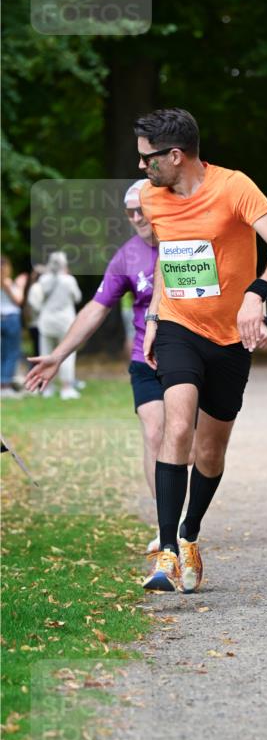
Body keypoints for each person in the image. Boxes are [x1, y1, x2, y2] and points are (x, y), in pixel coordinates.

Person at [136, 107, 267, 594]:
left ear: (175, 155)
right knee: (177, 423)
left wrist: (256, 295)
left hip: (230, 337)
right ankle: (166, 552)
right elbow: (170, 257)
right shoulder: (151, 197)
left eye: (148, 158)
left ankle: (189, 535)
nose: (141, 167)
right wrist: (152, 316)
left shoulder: (234, 187)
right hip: (178, 326)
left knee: (210, 449)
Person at [25, 180, 174, 551]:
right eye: (130, 213)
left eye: (142, 209)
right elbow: (96, 308)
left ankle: (188, 513)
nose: (137, 217)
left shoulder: (187, 243)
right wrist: (58, 355)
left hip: (188, 356)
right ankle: (168, 525)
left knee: (194, 444)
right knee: (154, 434)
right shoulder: (127, 255)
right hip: (146, 358)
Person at [27, 252, 82, 399]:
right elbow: (77, 297)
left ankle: (47, 388)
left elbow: (35, 301)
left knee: (46, 354)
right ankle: (67, 387)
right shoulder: (69, 280)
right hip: (66, 322)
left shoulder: (44, 280)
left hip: (46, 321)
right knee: (67, 354)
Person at [1, 256, 28, 398]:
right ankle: (4, 385)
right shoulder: (6, 282)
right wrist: (20, 286)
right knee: (11, 352)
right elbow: (18, 300)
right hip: (10, 319)